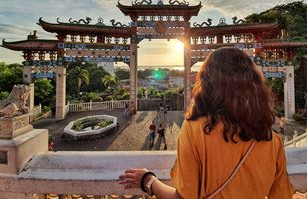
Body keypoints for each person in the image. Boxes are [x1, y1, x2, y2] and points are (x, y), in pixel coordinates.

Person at [119, 47, 294, 199]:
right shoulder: (271, 138)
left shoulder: (195, 129)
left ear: (207, 82)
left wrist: (148, 180)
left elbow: (183, 197)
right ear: (254, 85)